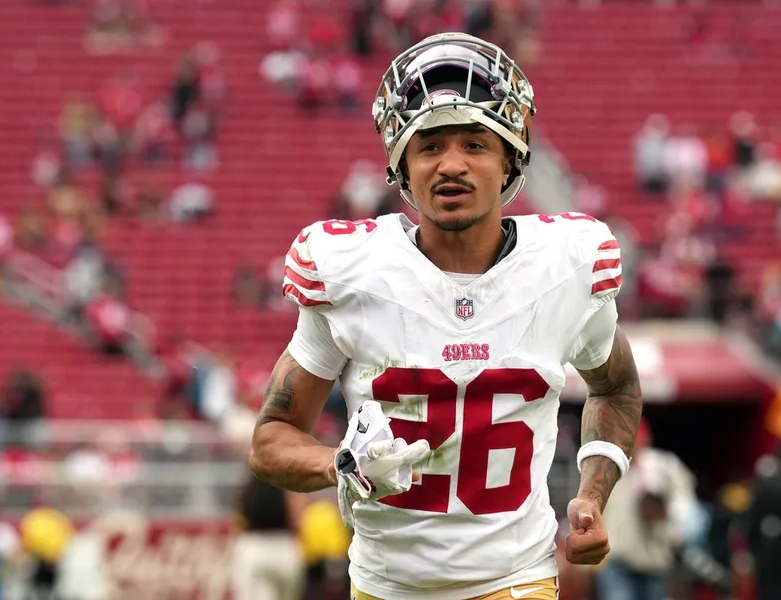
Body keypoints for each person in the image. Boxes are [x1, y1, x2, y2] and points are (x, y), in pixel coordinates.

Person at [250, 32, 643, 600]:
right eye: (430, 146)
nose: (451, 165)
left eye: (475, 144)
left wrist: (593, 494)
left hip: (516, 581)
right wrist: (341, 463)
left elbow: (616, 387)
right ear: (401, 166)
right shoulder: (353, 273)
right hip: (387, 587)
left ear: (509, 159)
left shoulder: (565, 268)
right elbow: (271, 439)